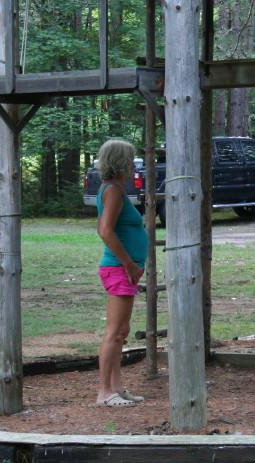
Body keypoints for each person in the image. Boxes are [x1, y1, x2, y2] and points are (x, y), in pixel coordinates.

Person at [94, 139, 148, 407]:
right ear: (120, 161)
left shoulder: (113, 189)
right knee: (115, 332)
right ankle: (104, 393)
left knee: (122, 331)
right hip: (119, 269)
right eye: (130, 159)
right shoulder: (113, 191)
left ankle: (116, 388)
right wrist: (128, 264)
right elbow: (105, 231)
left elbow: (102, 226)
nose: (133, 165)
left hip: (122, 269)